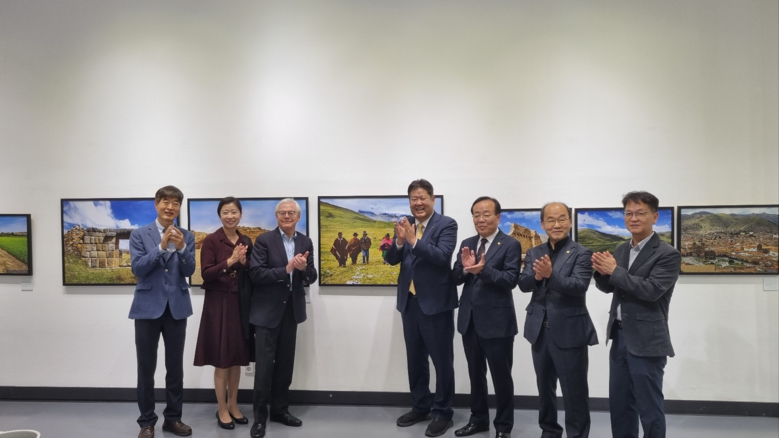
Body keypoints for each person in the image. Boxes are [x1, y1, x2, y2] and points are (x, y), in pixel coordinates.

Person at [592, 191, 681, 438]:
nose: (633, 218)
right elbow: (610, 287)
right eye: (628, 213)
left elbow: (652, 290)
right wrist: (600, 272)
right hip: (619, 336)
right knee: (620, 404)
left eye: (640, 213)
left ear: (655, 217)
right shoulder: (621, 249)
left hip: (647, 340)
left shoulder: (667, 254)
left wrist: (614, 271)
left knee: (649, 407)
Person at [518, 202, 598, 438]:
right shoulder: (534, 252)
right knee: (545, 389)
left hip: (570, 331)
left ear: (570, 222)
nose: (557, 224)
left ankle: (578, 434)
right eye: (551, 220)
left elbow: (579, 286)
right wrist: (537, 276)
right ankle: (549, 431)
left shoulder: (582, 253)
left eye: (562, 219)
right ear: (543, 224)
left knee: (574, 392)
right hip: (538, 331)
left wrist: (550, 275)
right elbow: (523, 284)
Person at [386, 179, 458, 438]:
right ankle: (420, 406)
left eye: (422, 198)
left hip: (436, 304)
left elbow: (442, 256)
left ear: (432, 199)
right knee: (415, 360)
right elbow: (391, 259)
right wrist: (399, 242)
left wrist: (414, 241)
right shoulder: (406, 224)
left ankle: (443, 412)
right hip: (409, 303)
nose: (418, 203)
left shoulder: (446, 224)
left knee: (442, 361)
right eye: (413, 199)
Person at [129, 185, 195, 438]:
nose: (170, 207)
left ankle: (173, 419)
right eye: (165, 202)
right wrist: (161, 247)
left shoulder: (187, 236)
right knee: (146, 368)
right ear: (156, 205)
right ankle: (146, 422)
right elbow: (138, 269)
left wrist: (182, 248)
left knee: (175, 368)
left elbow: (189, 270)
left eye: (175, 203)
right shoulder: (139, 234)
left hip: (177, 308)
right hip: (147, 308)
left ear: (179, 207)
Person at [248, 198, 318, 438]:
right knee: (264, 368)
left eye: (291, 213)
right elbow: (256, 273)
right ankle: (259, 419)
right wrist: (286, 270)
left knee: (285, 366)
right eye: (282, 213)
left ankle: (280, 410)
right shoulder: (264, 240)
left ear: (298, 217)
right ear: (276, 216)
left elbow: (312, 276)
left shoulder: (305, 241)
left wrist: (302, 268)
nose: (287, 216)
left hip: (291, 311)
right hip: (266, 312)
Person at [452, 197, 521, 438]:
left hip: (498, 323)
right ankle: (478, 420)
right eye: (476, 215)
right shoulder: (467, 243)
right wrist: (464, 268)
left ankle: (503, 427)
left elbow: (510, 280)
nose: (481, 219)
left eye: (486, 214)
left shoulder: (510, 244)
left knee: (501, 378)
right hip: (469, 320)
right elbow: (455, 277)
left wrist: (483, 269)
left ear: (498, 217)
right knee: (476, 375)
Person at [193, 197, 252, 430]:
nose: (230, 216)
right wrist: (231, 260)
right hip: (218, 303)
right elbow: (206, 274)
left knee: (237, 356)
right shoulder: (211, 240)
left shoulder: (246, 240)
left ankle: (233, 404)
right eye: (226, 212)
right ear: (220, 215)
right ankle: (221, 408)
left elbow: (252, 272)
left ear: (240, 214)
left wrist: (245, 263)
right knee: (222, 358)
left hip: (240, 302)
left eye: (234, 212)